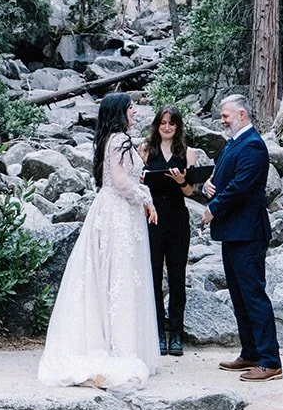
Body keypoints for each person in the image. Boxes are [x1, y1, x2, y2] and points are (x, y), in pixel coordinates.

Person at [37, 92, 162, 389]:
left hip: (116, 210)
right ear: (120, 111)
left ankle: (116, 340)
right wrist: (146, 199)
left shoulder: (113, 139)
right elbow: (120, 181)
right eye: (131, 107)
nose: (135, 111)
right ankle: (119, 346)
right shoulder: (119, 140)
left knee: (115, 275)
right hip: (118, 212)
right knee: (119, 274)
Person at [201, 93, 282, 382]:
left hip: (248, 232)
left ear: (242, 116)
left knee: (253, 295)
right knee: (239, 295)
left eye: (226, 115)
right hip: (234, 232)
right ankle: (250, 353)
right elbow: (224, 177)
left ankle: (270, 361)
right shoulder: (234, 143)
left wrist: (214, 207)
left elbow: (241, 186)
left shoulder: (254, 146)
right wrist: (210, 185)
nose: (222, 120)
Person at [142, 106, 200, 357]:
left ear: (178, 127)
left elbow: (190, 192)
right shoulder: (145, 150)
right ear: (157, 125)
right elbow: (138, 185)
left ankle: (176, 333)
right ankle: (156, 331)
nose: (167, 127)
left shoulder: (188, 153)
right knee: (153, 276)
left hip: (177, 219)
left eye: (172, 124)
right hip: (152, 219)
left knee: (177, 277)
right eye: (163, 123)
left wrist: (180, 181)